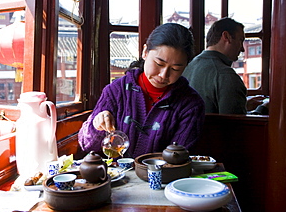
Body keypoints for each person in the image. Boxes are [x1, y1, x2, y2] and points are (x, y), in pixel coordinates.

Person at [78, 23, 205, 159]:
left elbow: (179, 158)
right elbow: (86, 144)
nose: (163, 74)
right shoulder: (116, 91)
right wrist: (96, 127)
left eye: (175, 69)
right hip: (117, 178)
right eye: (159, 64)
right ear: (145, 52)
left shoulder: (191, 104)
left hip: (163, 179)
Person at [182, 17, 248, 114]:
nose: (242, 49)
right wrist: (263, 109)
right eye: (240, 40)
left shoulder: (188, 67)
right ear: (226, 36)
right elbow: (237, 125)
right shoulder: (226, 75)